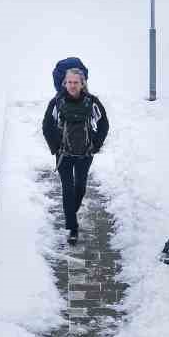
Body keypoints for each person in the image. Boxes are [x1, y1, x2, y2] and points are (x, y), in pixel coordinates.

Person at [41, 65, 110, 244]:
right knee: (67, 188)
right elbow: (47, 126)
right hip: (64, 154)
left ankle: (71, 210)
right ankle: (72, 228)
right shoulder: (56, 102)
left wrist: (96, 145)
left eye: (76, 82)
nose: (72, 85)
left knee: (80, 188)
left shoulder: (92, 102)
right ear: (64, 83)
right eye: (69, 82)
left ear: (82, 83)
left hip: (85, 154)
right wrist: (55, 147)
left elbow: (104, 124)